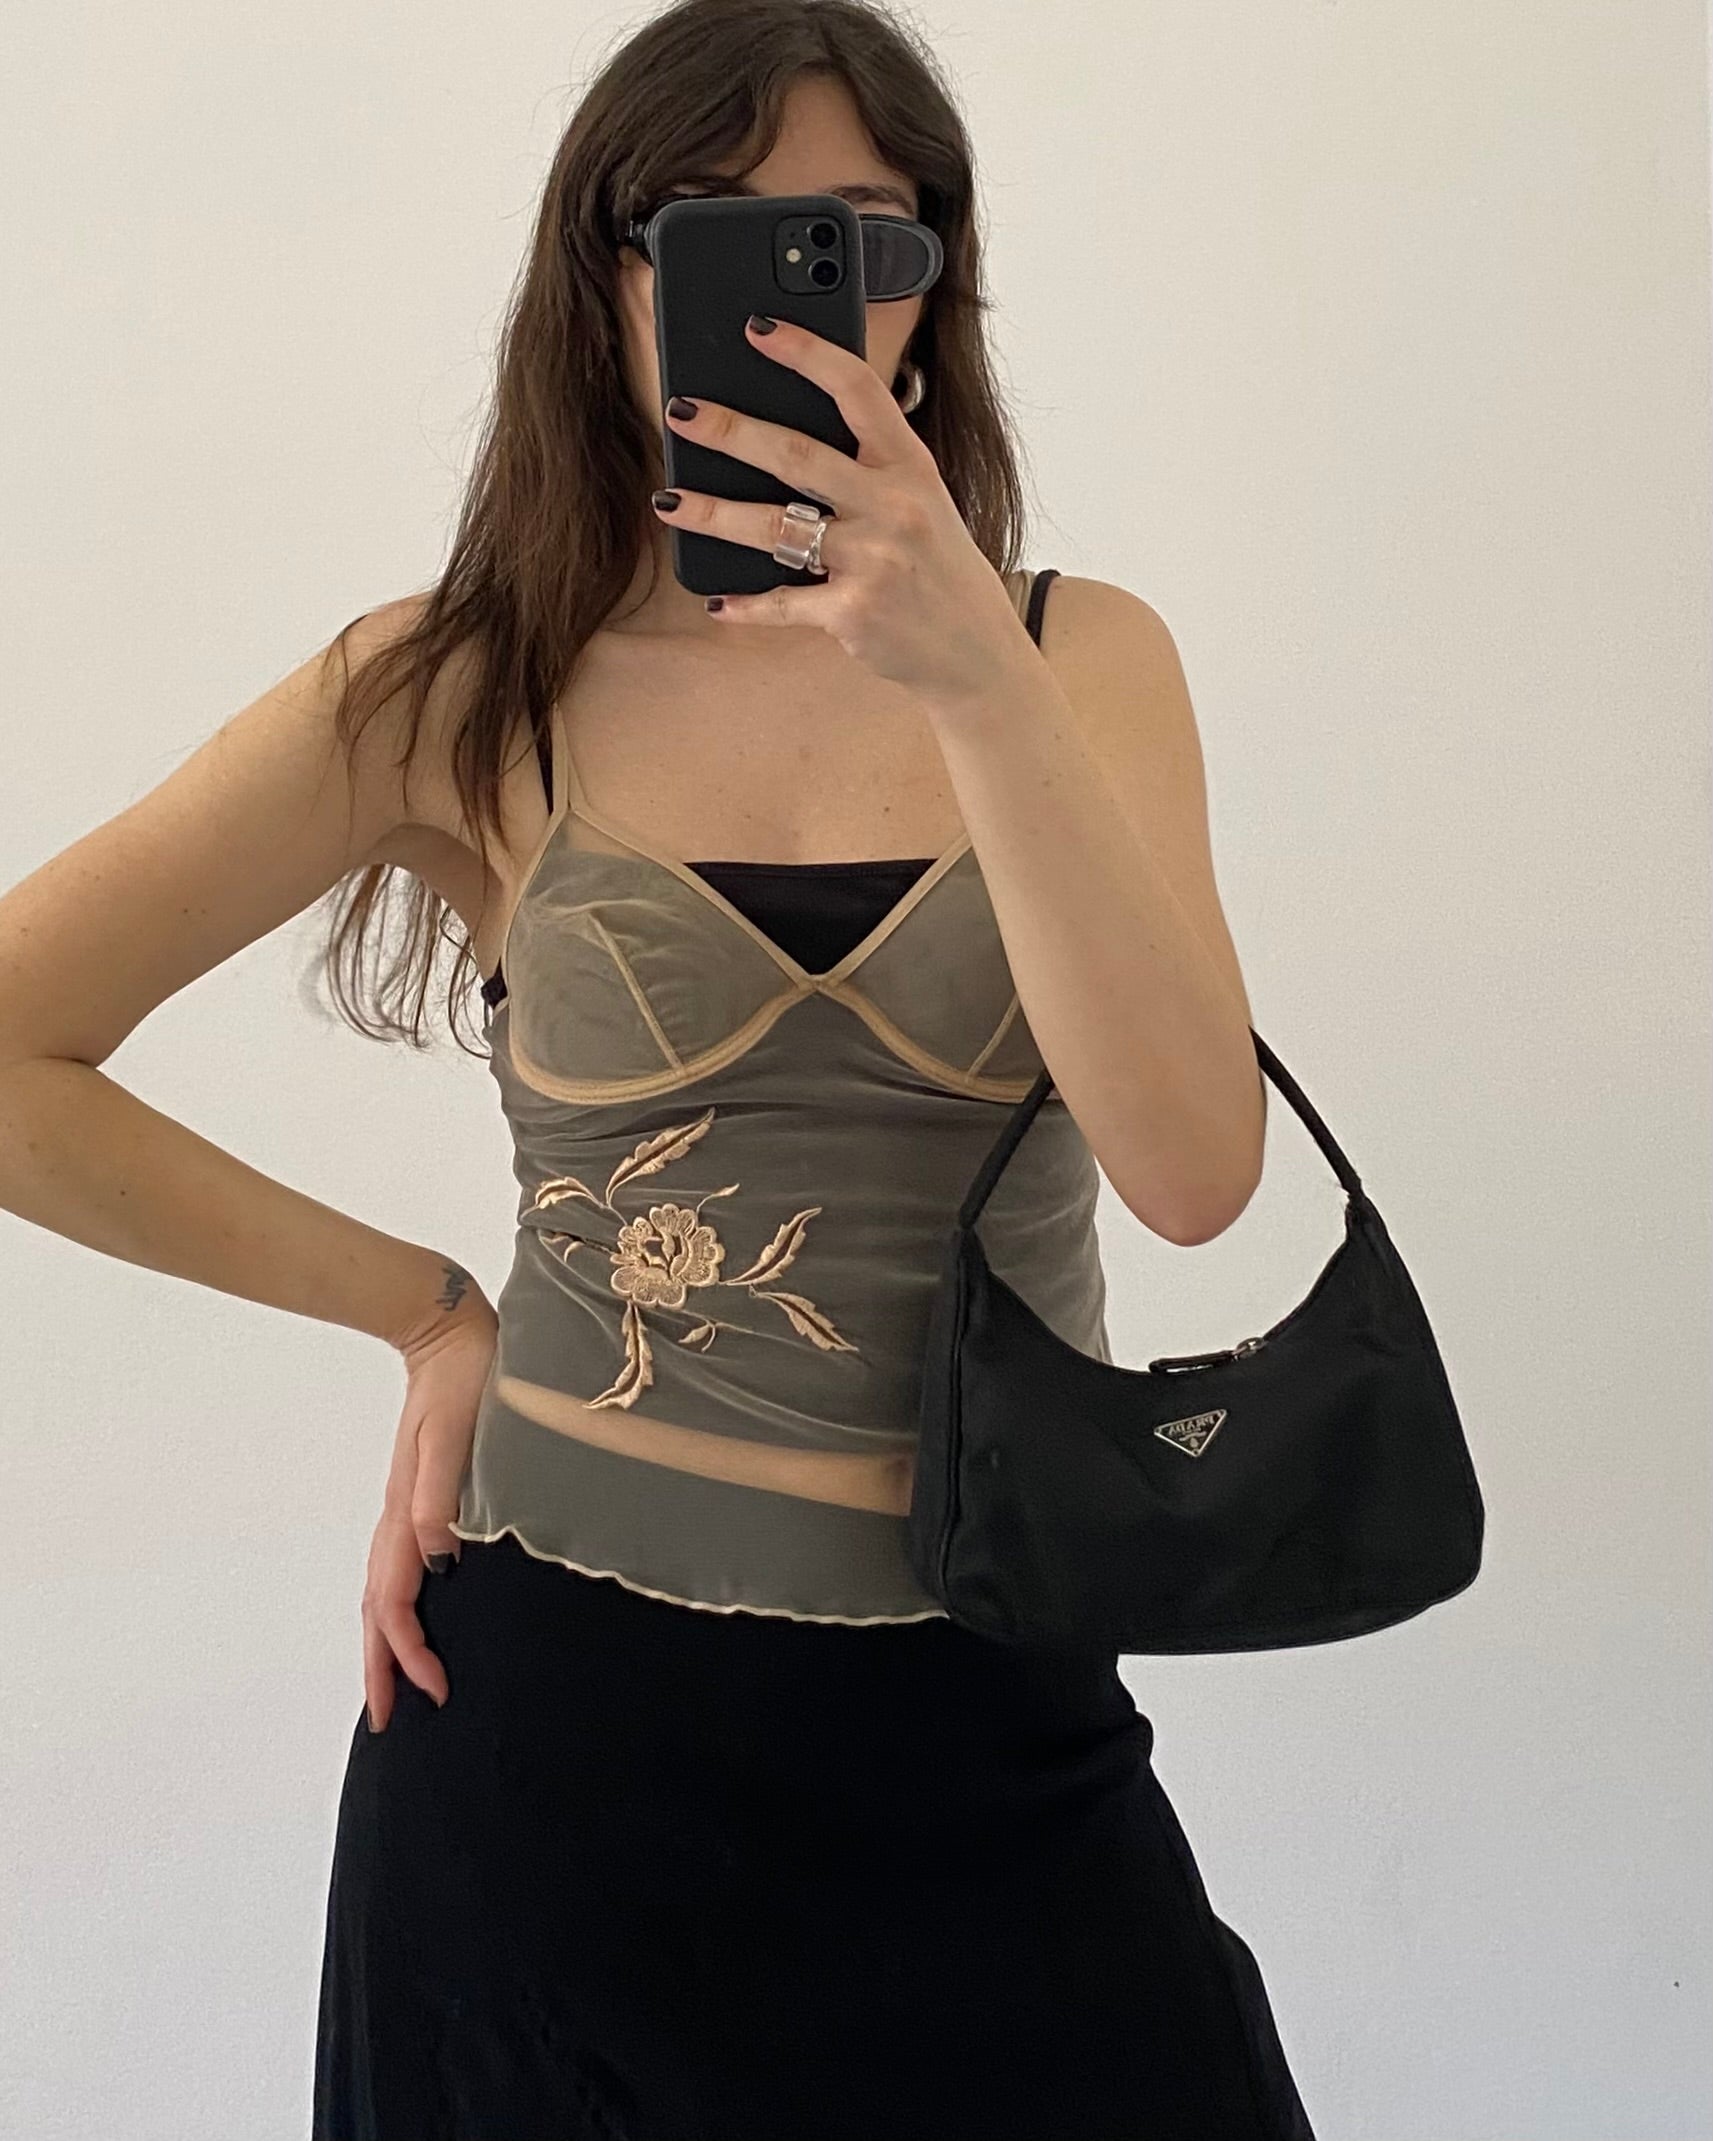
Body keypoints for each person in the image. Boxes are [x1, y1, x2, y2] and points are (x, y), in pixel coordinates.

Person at [0, 2, 1318, 2134]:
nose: (800, 306)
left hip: (995, 1720)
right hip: (556, 1750)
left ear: (931, 293)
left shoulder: (1077, 660)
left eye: (862, 241)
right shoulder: (459, 689)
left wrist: (969, 680)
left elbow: (1191, 1172)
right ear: (604, 281)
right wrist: (424, 1313)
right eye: (712, 234)